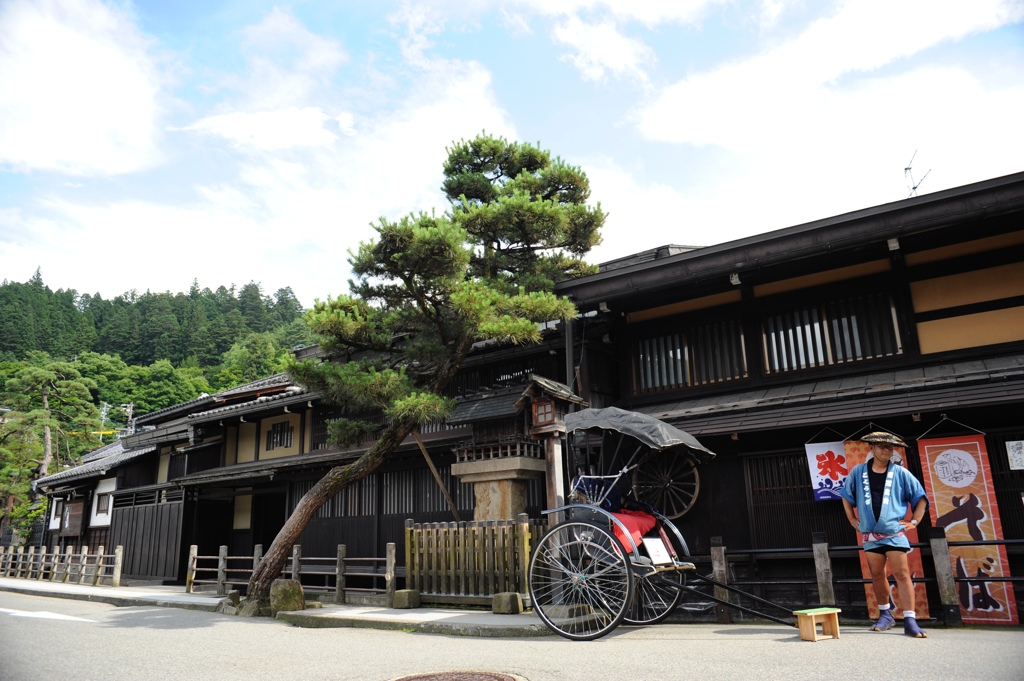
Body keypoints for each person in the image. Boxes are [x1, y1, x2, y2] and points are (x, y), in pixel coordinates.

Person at [840, 431, 929, 638]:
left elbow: (920, 497)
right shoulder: (858, 471)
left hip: (894, 532)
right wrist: (852, 519)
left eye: (890, 447)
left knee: (902, 574)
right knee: (878, 574)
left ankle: (909, 619)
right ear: (871, 448)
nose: (886, 450)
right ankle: (885, 614)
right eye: (881, 446)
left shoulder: (901, 473)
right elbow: (846, 495)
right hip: (870, 533)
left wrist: (914, 522)